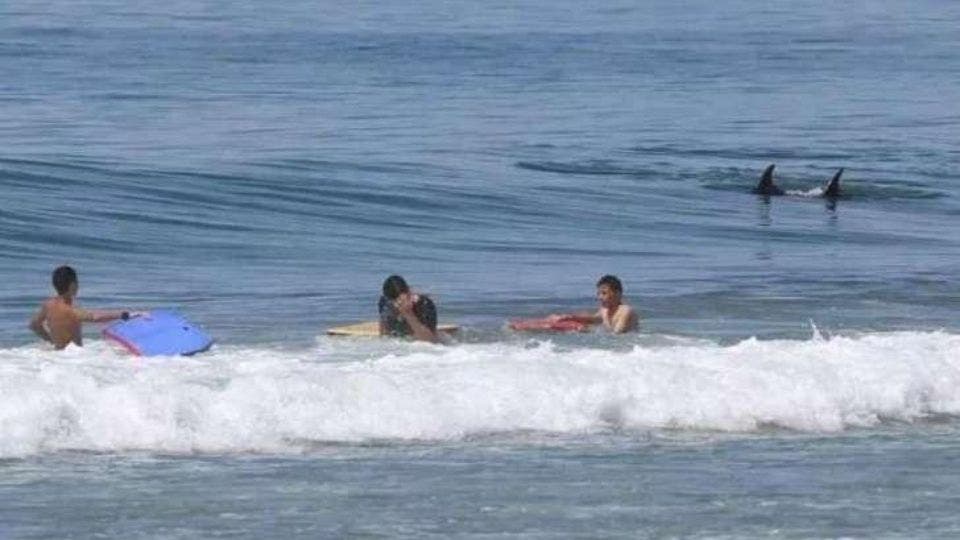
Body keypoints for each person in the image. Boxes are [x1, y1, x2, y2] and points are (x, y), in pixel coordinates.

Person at [29, 265, 141, 349]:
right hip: (74, 358)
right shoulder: (71, 310)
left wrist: (51, 340)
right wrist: (126, 314)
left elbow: (34, 325)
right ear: (73, 285)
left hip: (58, 356)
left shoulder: (48, 305)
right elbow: (95, 317)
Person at [552, 274, 638, 333]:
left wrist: (587, 331)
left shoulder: (625, 311)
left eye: (604, 293)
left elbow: (617, 335)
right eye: (598, 294)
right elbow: (593, 319)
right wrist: (569, 318)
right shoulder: (605, 310)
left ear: (617, 293)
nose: (600, 297)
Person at [378, 275, 439, 343]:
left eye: (404, 299)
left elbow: (430, 341)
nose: (399, 304)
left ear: (409, 293)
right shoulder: (386, 302)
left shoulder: (425, 304)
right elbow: (384, 332)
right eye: (396, 302)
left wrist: (408, 314)